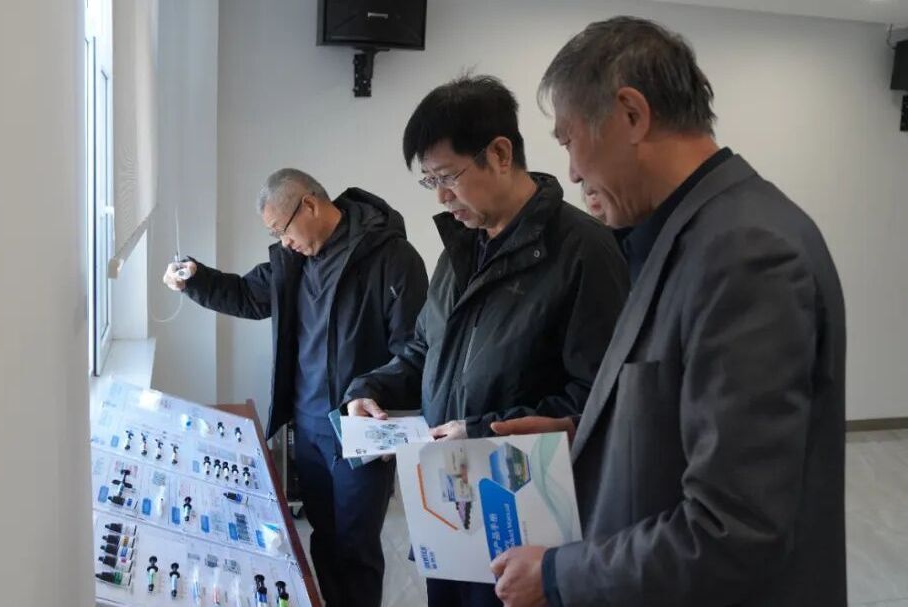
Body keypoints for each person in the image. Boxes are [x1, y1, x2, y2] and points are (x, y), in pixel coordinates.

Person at [490, 17, 847, 607]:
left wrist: (557, 575)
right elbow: (687, 413)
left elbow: (732, 530)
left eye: (568, 140)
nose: (572, 171)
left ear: (632, 114)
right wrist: (586, 433)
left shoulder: (746, 252)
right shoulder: (689, 233)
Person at [343, 75, 629, 607]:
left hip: (523, 514)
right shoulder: (460, 250)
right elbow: (425, 350)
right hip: (451, 504)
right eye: (430, 182)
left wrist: (479, 432)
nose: (442, 196)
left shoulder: (583, 251)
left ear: (500, 153)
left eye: (448, 176)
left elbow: (599, 400)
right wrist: (371, 389)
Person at [163, 168, 428, 607]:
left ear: (310, 205)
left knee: (356, 545)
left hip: (360, 427)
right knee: (323, 537)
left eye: (281, 229)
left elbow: (414, 348)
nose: (282, 242)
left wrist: (376, 394)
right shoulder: (294, 261)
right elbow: (247, 295)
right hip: (308, 428)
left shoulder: (393, 258)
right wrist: (196, 279)